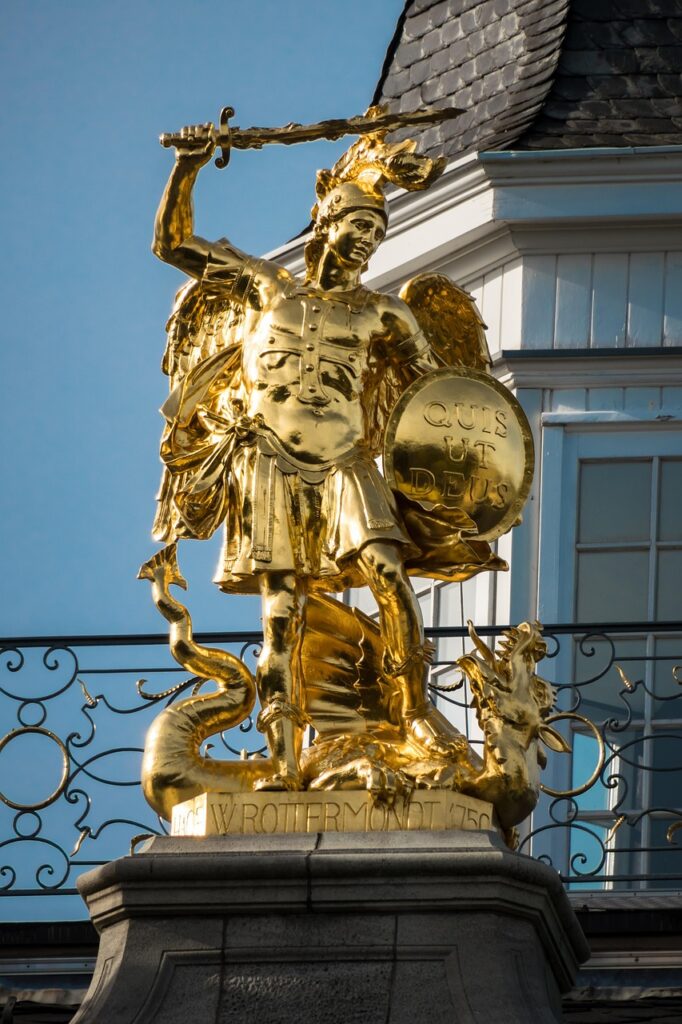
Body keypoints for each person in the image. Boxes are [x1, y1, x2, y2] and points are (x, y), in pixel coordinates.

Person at [152, 122, 465, 790]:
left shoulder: (384, 315)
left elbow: (441, 396)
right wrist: (188, 167)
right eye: (356, 226)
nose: (364, 242)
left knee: (390, 577)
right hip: (270, 460)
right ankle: (287, 759)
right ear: (325, 219)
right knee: (281, 615)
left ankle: (414, 714)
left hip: (348, 461)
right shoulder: (266, 288)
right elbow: (172, 244)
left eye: (375, 235)